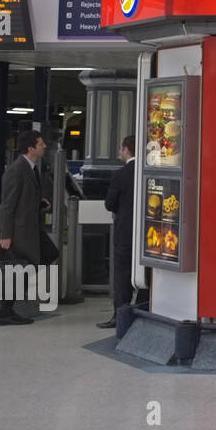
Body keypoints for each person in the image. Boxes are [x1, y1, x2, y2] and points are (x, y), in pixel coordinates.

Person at [0, 130, 51, 325]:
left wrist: (39, 203)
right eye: (41, 143)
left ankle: (7, 310)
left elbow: (22, 198)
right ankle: (5, 311)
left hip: (30, 230)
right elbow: (7, 205)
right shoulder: (16, 170)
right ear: (31, 148)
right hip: (19, 233)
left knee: (44, 257)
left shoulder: (32, 168)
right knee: (21, 269)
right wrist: (6, 235)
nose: (44, 146)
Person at [99, 135, 137, 329]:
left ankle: (120, 316)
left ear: (127, 150)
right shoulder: (148, 172)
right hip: (147, 235)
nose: (119, 152)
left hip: (124, 234)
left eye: (121, 149)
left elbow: (109, 204)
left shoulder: (120, 175)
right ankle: (142, 311)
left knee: (122, 276)